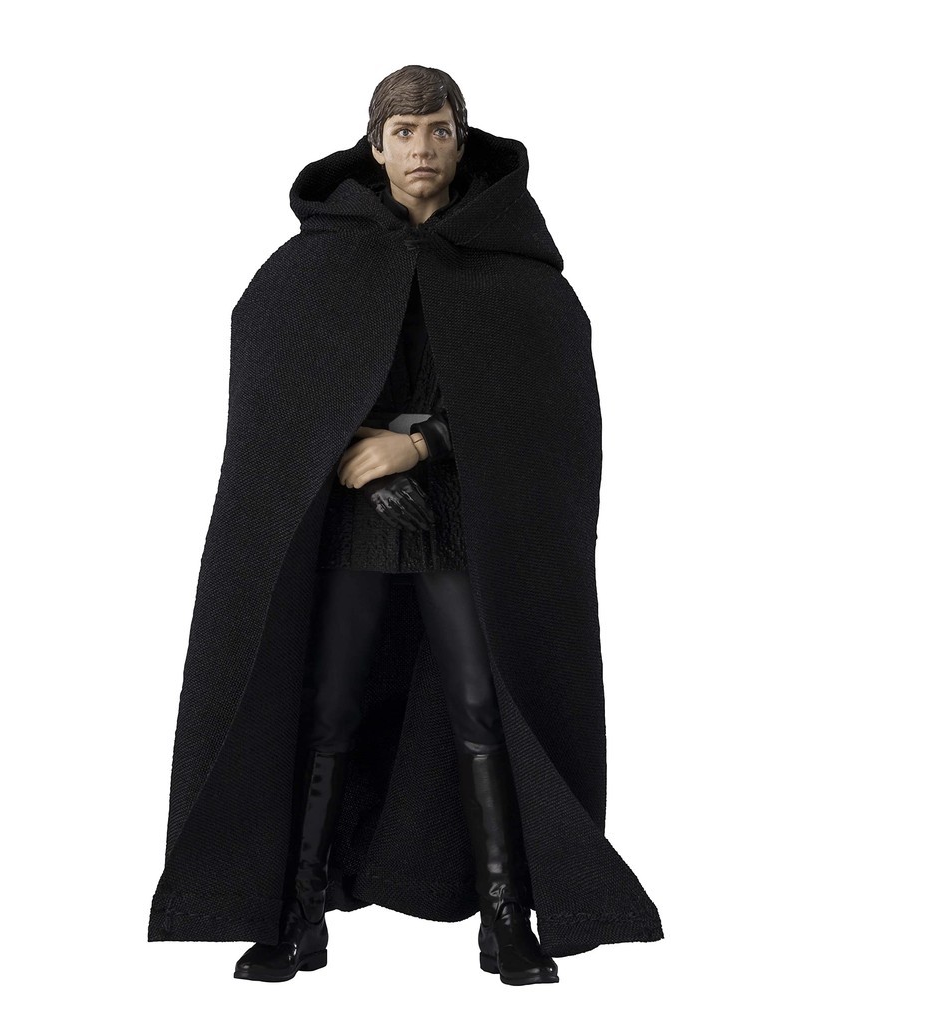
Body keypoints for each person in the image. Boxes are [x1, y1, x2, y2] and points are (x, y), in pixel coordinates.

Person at [148, 64, 664, 987]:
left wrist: (417, 447)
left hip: (465, 527)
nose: (421, 149)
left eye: (437, 130)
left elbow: (539, 409)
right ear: (375, 146)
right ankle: (298, 916)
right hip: (355, 527)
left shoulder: (515, 271)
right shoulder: (313, 264)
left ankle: (506, 919)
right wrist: (346, 440)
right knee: (330, 710)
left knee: (480, 712)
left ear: (461, 141)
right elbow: (279, 393)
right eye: (403, 132)